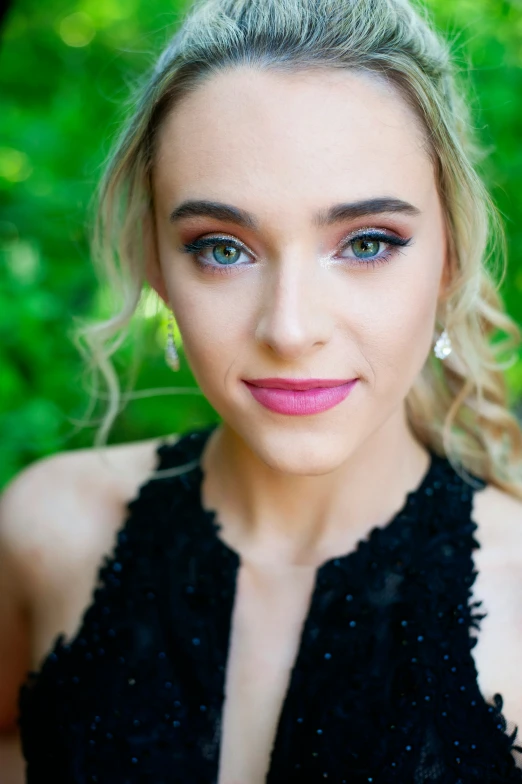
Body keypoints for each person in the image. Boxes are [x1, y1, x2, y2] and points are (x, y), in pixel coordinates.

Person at [2, 0, 522, 780]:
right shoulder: (47, 532)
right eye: (221, 248)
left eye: (368, 242)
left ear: (450, 258)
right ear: (156, 267)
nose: (288, 328)